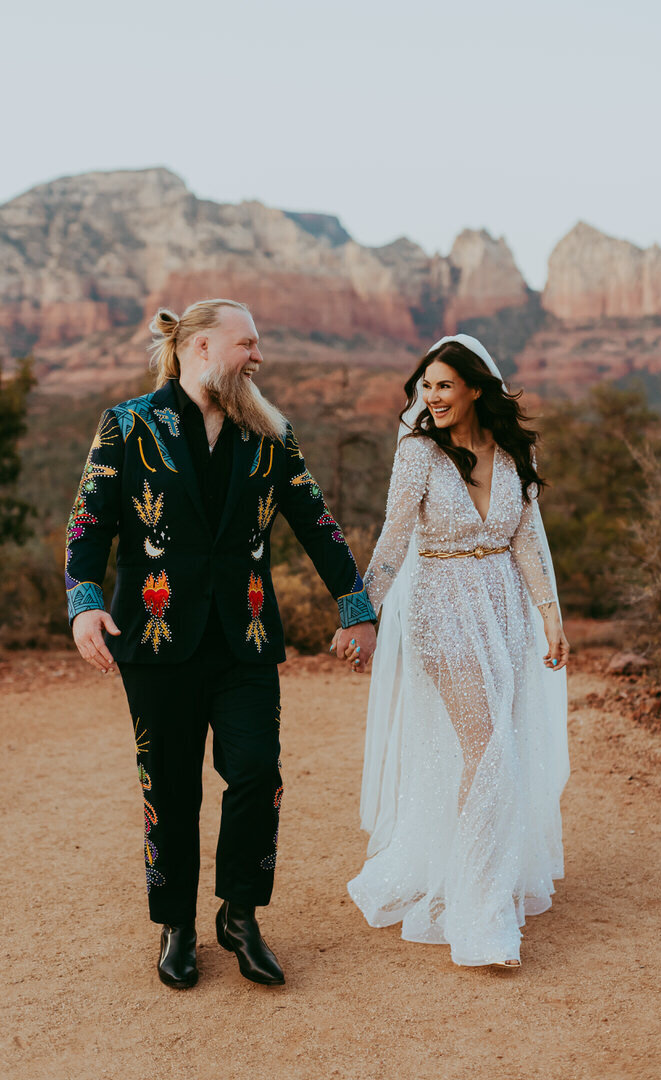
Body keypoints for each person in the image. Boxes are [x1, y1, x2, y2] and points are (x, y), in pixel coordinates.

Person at [66, 299, 376, 989]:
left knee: (258, 774)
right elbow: (90, 519)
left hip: (248, 636)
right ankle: (176, 923)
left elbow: (314, 518)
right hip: (153, 637)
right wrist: (84, 602)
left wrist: (354, 604)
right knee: (169, 787)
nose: (258, 356)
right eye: (248, 343)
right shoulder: (127, 424)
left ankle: (239, 914)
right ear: (201, 347)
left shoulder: (270, 431)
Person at [339, 334, 569, 969]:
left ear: (474, 388)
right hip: (440, 611)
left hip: (504, 612)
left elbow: (527, 543)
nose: (432, 397)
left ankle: (464, 862)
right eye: (426, 387)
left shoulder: (512, 453)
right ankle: (479, 904)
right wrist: (361, 611)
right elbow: (393, 540)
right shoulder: (417, 454)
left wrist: (551, 618)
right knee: (487, 744)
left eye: (444, 385)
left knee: (498, 743)